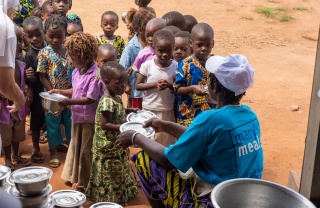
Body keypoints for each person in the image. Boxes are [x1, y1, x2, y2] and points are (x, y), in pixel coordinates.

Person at [116, 54, 264, 208]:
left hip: (214, 200)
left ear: (214, 86)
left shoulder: (210, 119)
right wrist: (165, 125)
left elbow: (169, 160)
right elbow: (202, 136)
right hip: (245, 196)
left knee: (144, 158)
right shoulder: (249, 115)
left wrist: (136, 137)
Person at [49, 32, 104, 192]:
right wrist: (61, 91)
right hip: (78, 116)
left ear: (85, 58)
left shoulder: (94, 76)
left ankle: (84, 181)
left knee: (86, 150)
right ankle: (75, 175)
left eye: (73, 57)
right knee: (76, 145)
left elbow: (90, 99)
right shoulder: (76, 71)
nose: (70, 60)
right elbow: (76, 90)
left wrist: (69, 101)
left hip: (89, 119)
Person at [85, 61, 138, 204]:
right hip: (106, 146)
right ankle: (107, 198)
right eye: (119, 83)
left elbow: (117, 112)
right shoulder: (106, 102)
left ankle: (119, 195)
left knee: (118, 169)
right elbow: (105, 124)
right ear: (107, 82)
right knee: (108, 172)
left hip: (115, 144)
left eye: (124, 83)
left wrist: (128, 111)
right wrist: (124, 126)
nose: (123, 86)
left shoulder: (116, 97)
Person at [37, 14, 72, 168]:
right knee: (52, 125)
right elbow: (42, 76)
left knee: (70, 123)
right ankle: (53, 152)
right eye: (51, 36)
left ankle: (72, 152)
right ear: (45, 34)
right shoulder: (44, 53)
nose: (55, 40)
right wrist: (53, 92)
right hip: (51, 97)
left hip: (70, 96)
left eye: (60, 36)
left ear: (66, 34)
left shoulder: (70, 51)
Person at [136, 30, 177, 146]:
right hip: (150, 109)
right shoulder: (147, 66)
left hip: (167, 110)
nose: (165, 54)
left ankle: (163, 164)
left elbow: (178, 87)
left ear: (173, 49)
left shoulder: (176, 66)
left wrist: (169, 85)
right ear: (153, 49)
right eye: (160, 51)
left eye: (169, 51)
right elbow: (138, 85)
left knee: (167, 142)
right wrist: (154, 84)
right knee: (151, 140)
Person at [0, 25, 31, 170]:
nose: (19, 45)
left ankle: (15, 154)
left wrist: (30, 78)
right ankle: (7, 159)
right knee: (6, 134)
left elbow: (24, 83)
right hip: (5, 108)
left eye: (20, 41)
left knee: (18, 132)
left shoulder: (21, 65)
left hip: (19, 107)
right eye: (15, 41)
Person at [174, 23, 216, 127]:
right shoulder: (185, 64)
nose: (203, 48)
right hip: (189, 116)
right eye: (199, 45)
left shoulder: (215, 62)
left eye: (208, 45)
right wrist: (192, 88)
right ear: (191, 44)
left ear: (213, 44)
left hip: (210, 112)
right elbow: (177, 89)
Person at [119, 8, 155, 109]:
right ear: (140, 29)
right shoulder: (131, 47)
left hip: (151, 91)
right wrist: (126, 85)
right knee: (136, 117)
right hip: (136, 93)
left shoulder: (155, 44)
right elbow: (122, 68)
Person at [23, 16, 47, 163]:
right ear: (25, 35)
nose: (34, 38)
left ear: (43, 31)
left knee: (53, 120)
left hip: (53, 90)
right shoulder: (30, 55)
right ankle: (35, 147)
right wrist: (29, 82)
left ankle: (55, 145)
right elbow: (30, 79)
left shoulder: (51, 48)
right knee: (36, 120)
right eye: (30, 36)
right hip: (38, 91)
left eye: (37, 34)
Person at [0, 0, 26, 114]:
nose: (12, 14)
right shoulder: (4, 25)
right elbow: (7, 85)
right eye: (14, 9)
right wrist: (20, 99)